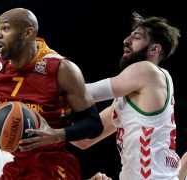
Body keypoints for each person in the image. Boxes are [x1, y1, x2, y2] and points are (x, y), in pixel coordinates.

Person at [26, 12, 180, 179]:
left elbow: (85, 93)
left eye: (137, 37)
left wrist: (31, 91)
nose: (126, 40)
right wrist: (44, 118)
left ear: (154, 49)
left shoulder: (147, 70)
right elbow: (85, 140)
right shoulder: (129, 100)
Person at [0, 7, 104, 179]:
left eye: (6, 28)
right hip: (16, 164)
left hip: (52, 163)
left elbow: (94, 124)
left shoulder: (61, 68)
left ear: (27, 33)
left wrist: (57, 134)